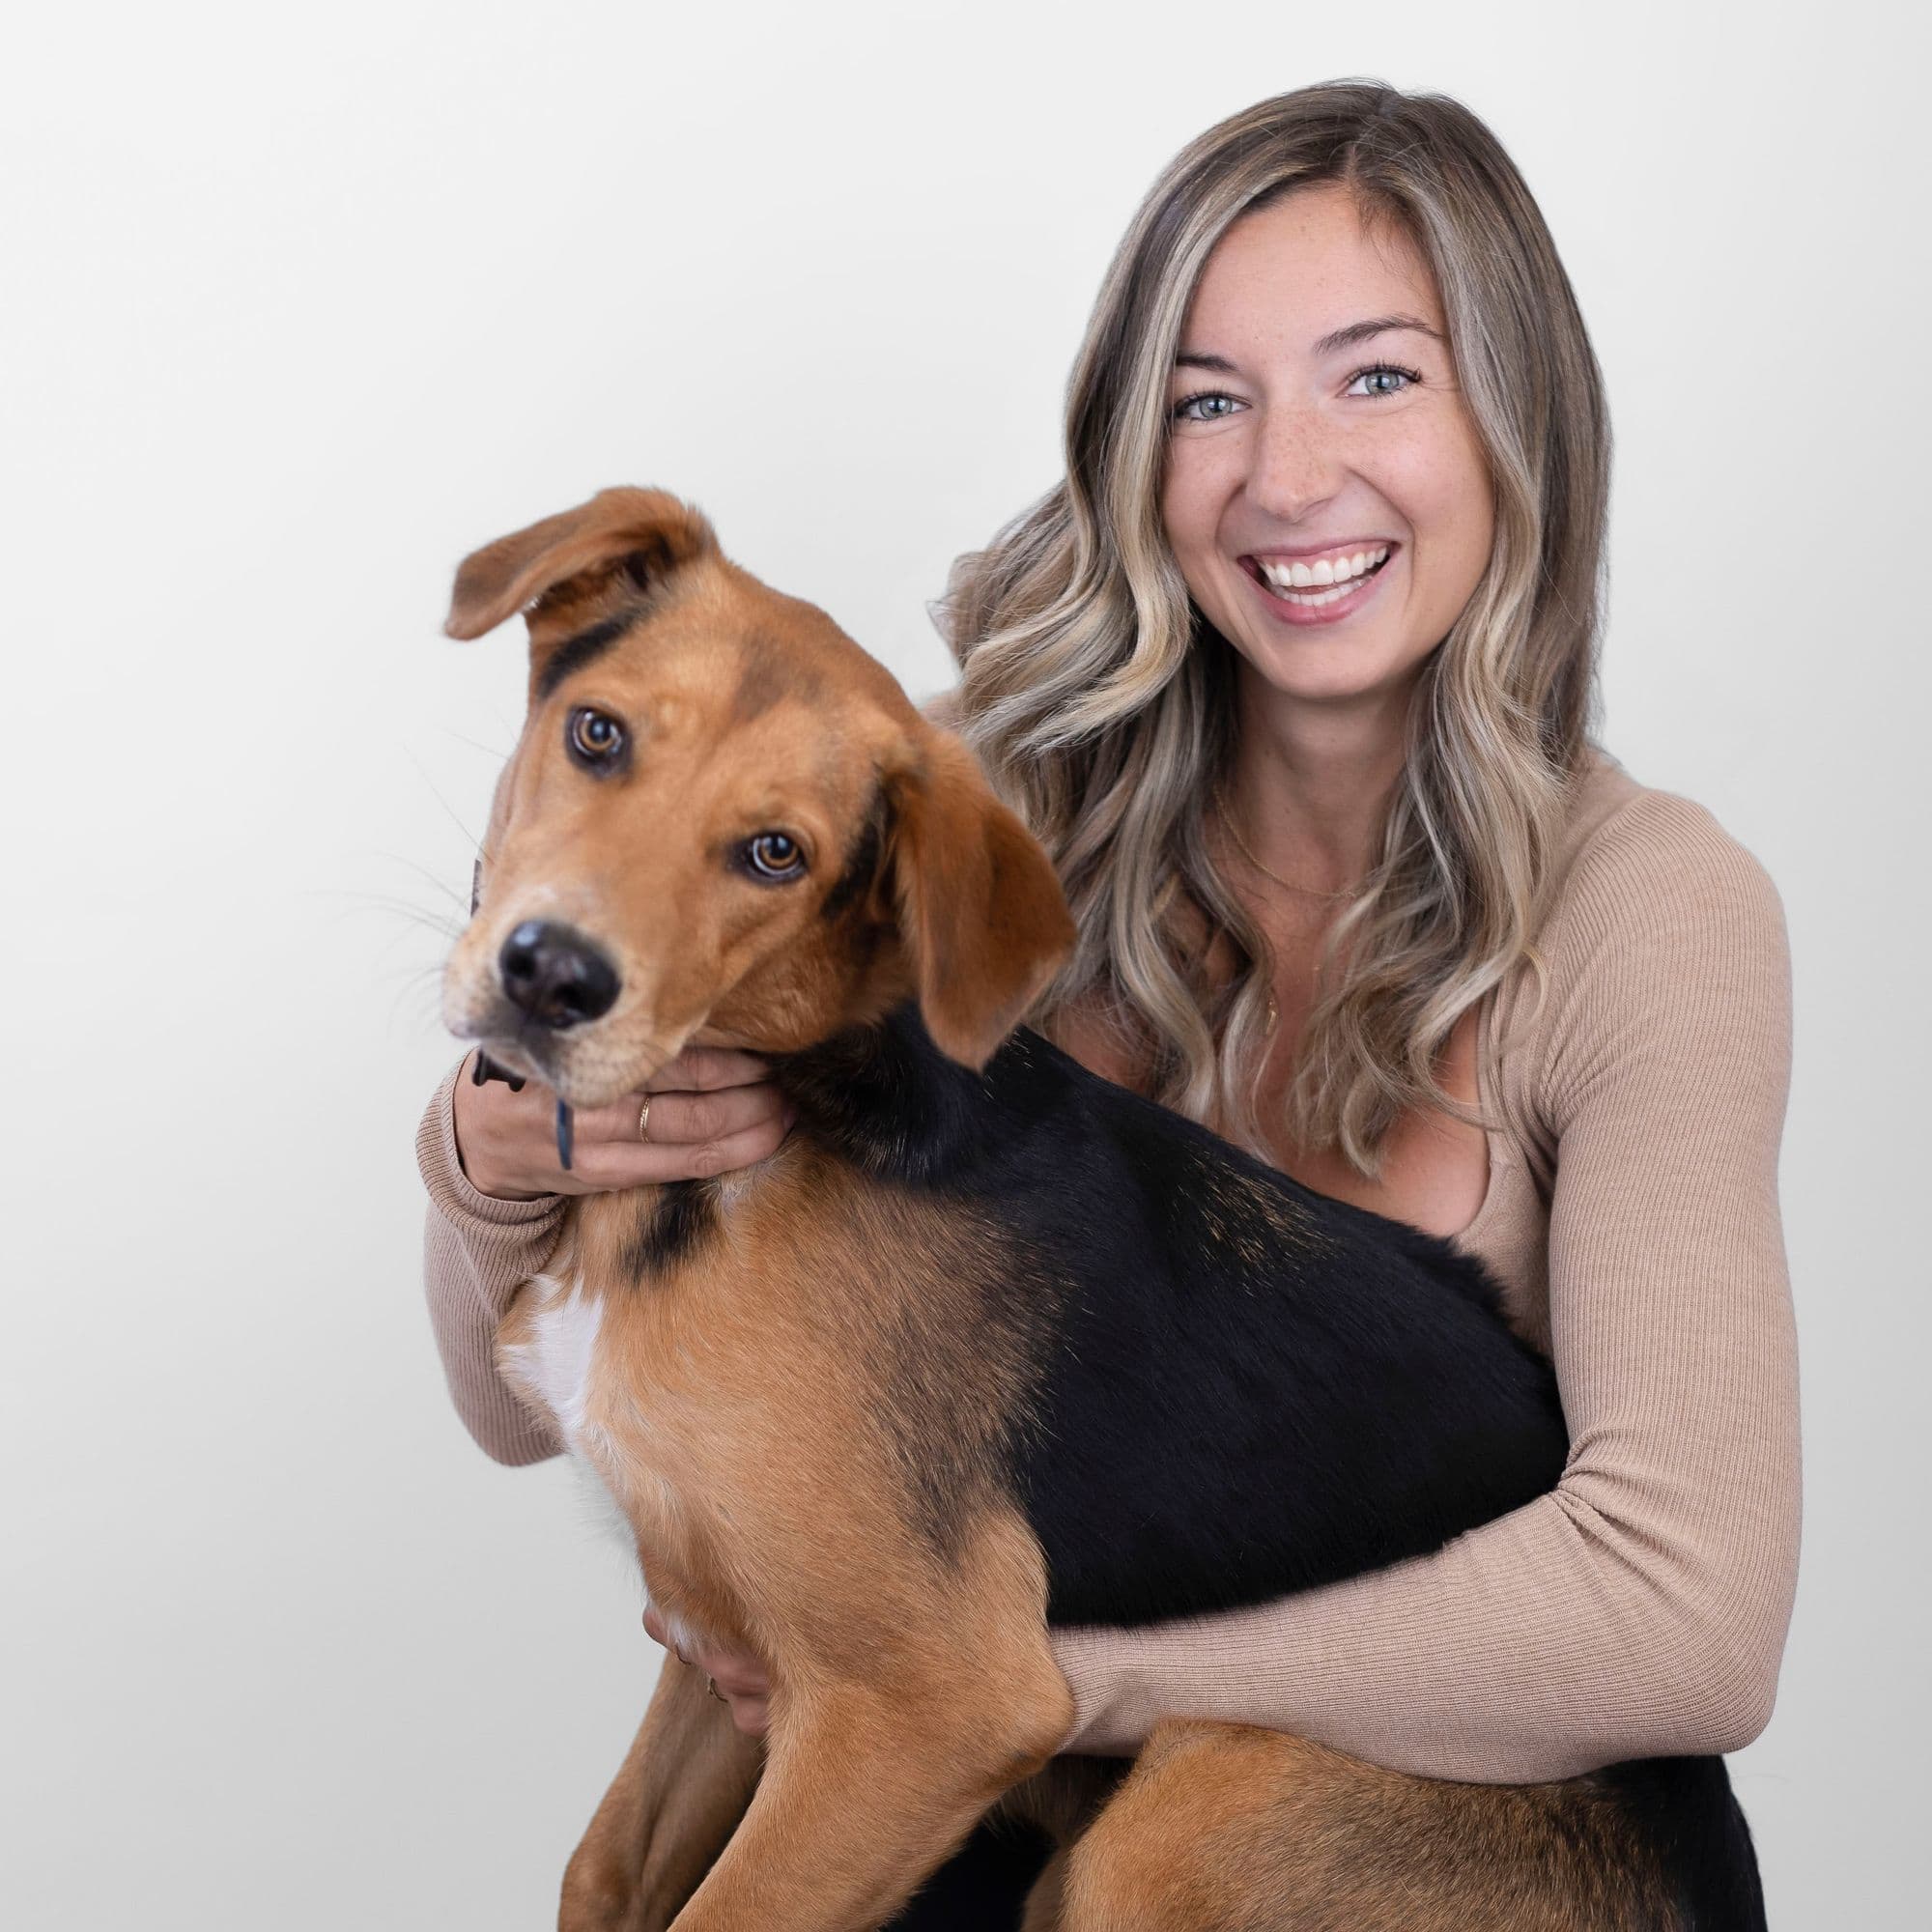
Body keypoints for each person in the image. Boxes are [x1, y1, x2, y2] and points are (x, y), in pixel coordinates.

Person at [417, 77, 1797, 1808]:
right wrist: (483, 1159)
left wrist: (1043, 1684)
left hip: (1387, 1853)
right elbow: (521, 1404)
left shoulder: (1654, 907)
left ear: (1520, 423)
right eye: (1207, 400)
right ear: (1131, 449)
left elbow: (1696, 1624)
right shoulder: (921, 820)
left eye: (1379, 376)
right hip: (970, 1831)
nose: (1290, 479)